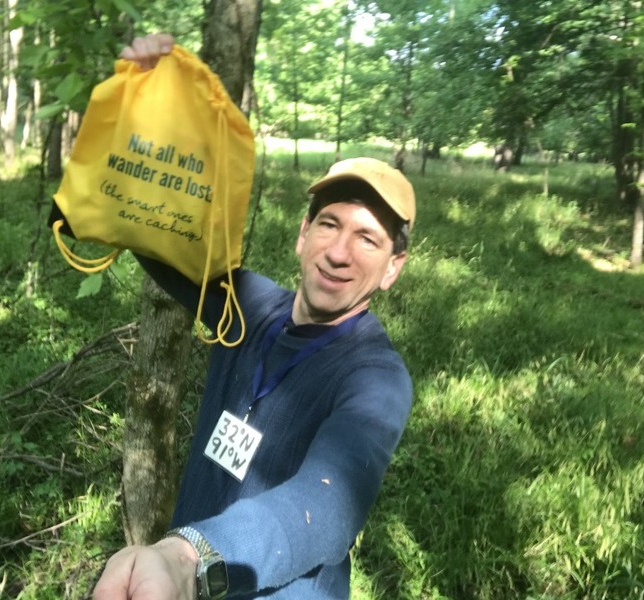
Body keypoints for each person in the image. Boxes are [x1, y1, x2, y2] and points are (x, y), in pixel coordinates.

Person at [92, 34, 416, 600]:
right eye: (330, 224)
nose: (340, 252)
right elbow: (155, 230)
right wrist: (146, 99)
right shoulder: (249, 305)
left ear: (393, 268)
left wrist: (187, 555)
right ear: (302, 234)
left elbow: (327, 503)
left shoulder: (375, 378)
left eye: (368, 239)